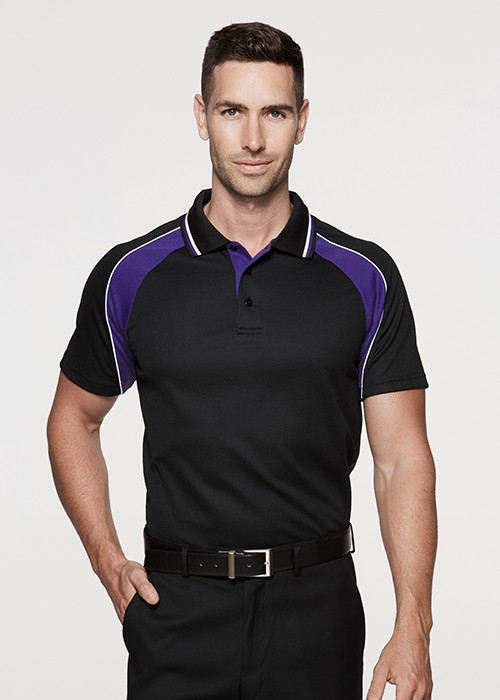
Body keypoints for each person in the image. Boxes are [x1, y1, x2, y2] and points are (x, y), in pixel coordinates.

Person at [47, 21, 437, 700]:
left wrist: (414, 626)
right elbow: (72, 419)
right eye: (232, 111)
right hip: (178, 616)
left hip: (317, 615)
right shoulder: (132, 274)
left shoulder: (363, 276)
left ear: (302, 120)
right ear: (202, 116)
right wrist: (108, 562)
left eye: (274, 113)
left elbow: (401, 460)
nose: (253, 139)